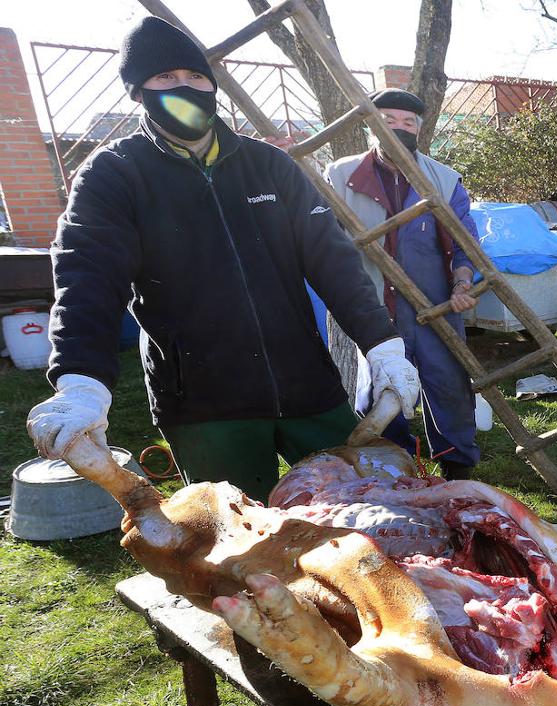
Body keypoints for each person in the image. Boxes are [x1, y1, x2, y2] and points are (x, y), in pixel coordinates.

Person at [25, 17, 421, 500]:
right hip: (205, 403)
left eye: (196, 76)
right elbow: (87, 279)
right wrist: (82, 380)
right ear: (138, 91)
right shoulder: (115, 174)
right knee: (236, 533)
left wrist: (382, 345)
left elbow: (332, 260)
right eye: (165, 78)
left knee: (361, 511)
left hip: (306, 385)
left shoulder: (269, 165)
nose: (185, 88)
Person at [324, 88, 481, 480]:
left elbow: (466, 242)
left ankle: (457, 466)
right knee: (381, 387)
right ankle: (392, 465)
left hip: (435, 304)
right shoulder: (339, 176)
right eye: (388, 120)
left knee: (448, 383)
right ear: (369, 126)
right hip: (374, 307)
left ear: (419, 129)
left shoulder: (444, 180)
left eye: (408, 122)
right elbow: (322, 237)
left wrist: (463, 283)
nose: (399, 128)